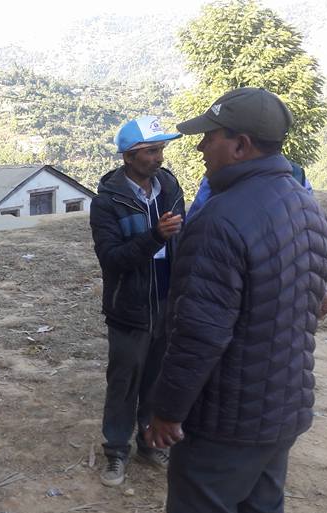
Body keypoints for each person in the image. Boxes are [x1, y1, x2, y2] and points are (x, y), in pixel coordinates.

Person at [145, 88, 327, 513]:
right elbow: (315, 302)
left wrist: (167, 411)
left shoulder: (219, 220)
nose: (200, 147)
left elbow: (199, 334)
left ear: (240, 145)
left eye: (210, 137)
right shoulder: (307, 207)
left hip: (225, 423)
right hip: (282, 410)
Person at [89, 116, 186, 487]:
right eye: (150, 151)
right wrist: (155, 237)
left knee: (156, 379)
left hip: (166, 302)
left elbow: (183, 239)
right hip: (129, 308)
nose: (159, 157)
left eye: (161, 149)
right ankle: (116, 451)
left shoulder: (169, 186)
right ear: (128, 157)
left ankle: (149, 442)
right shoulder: (108, 202)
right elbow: (112, 258)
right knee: (124, 382)